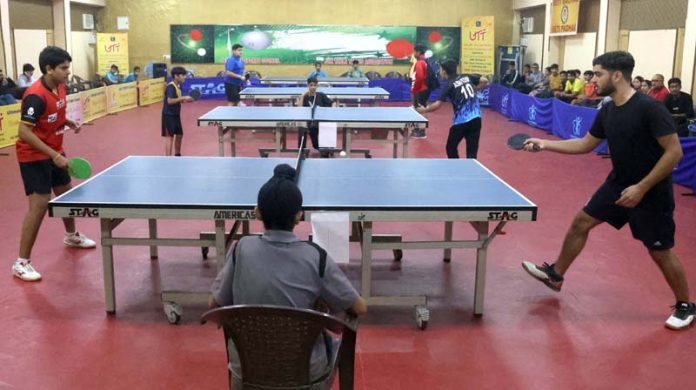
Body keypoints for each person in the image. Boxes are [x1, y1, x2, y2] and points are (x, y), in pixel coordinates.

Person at [520, 51, 694, 330]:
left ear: (616, 75)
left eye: (599, 73)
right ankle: (556, 274)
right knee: (581, 222)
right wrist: (545, 143)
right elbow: (585, 144)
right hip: (618, 183)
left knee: (659, 251)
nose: (595, 79)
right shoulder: (609, 109)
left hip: (650, 191)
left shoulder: (650, 108)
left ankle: (686, 305)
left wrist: (642, 187)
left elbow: (674, 153)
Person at [210, 163, 367, 389]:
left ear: (257, 213)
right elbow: (359, 308)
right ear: (298, 216)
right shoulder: (315, 257)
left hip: (246, 372)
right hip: (305, 377)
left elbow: (215, 303)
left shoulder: (240, 250)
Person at [13, 46, 96, 282]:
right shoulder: (35, 95)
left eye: (68, 67)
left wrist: (68, 122)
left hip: (54, 150)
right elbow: (23, 132)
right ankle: (21, 263)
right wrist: (54, 155)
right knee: (39, 205)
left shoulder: (59, 86)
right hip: (34, 155)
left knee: (65, 195)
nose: (68, 72)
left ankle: (71, 235)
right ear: (49, 69)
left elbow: (54, 114)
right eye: (64, 68)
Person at [416, 59, 488, 159]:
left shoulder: (448, 85)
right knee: (472, 152)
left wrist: (424, 110)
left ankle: (456, 168)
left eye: (440, 69)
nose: (440, 71)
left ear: (444, 71)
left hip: (461, 122)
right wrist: (475, 89)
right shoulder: (466, 76)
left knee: (451, 147)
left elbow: (437, 105)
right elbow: (484, 80)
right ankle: (471, 172)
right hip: (476, 119)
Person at [297, 77, 336, 155]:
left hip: (322, 119)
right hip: (310, 121)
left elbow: (333, 102)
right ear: (308, 85)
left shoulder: (321, 95)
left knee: (330, 125)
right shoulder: (305, 97)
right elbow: (299, 108)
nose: (313, 87)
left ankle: (328, 148)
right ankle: (304, 149)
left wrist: (332, 109)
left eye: (315, 85)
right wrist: (303, 95)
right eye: (311, 85)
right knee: (305, 127)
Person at [161, 66, 193, 156]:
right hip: (168, 115)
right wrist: (183, 97)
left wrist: (186, 100)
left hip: (175, 115)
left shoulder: (178, 86)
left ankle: (177, 155)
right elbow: (170, 101)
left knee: (179, 135)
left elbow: (178, 100)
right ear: (176, 76)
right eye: (183, 75)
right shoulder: (171, 86)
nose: (185, 77)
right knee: (169, 137)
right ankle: (168, 160)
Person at [409, 44, 430, 139]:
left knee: (421, 108)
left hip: (420, 89)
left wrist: (415, 89)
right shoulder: (423, 60)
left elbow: (420, 77)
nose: (413, 54)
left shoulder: (420, 62)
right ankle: (418, 129)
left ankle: (422, 131)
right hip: (422, 88)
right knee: (419, 108)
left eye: (414, 52)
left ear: (418, 52)